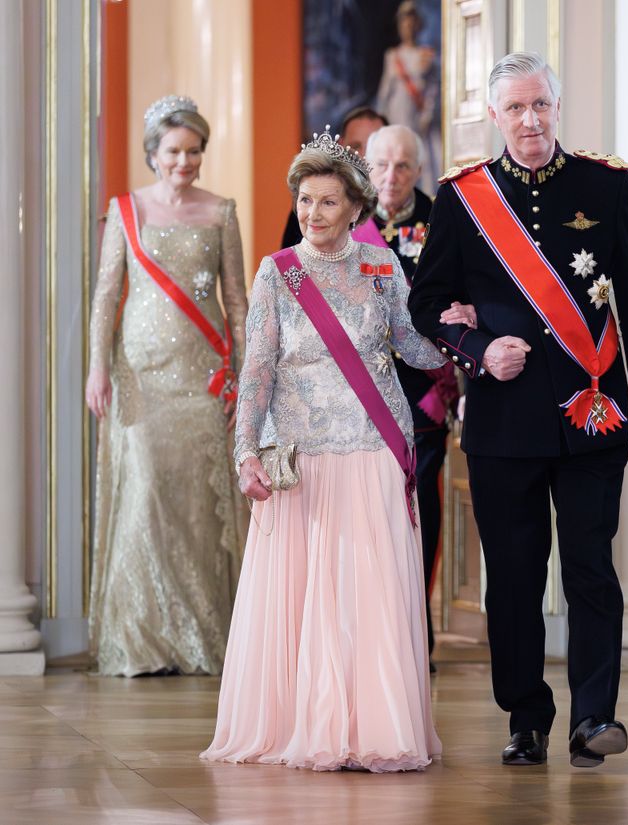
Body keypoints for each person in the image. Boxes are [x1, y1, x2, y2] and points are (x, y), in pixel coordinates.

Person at [408, 52, 628, 769]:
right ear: (495, 117)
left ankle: (595, 716)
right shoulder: (465, 195)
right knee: (516, 575)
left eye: (541, 105)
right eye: (516, 108)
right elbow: (426, 301)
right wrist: (479, 347)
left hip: (593, 412)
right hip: (503, 417)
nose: (530, 119)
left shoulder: (605, 184)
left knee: (590, 565)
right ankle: (525, 715)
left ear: (558, 107)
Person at [201, 127, 453, 772]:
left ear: (356, 208)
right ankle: (307, 726)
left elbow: (414, 348)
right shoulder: (277, 273)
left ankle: (373, 728)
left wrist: (463, 335)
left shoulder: (382, 266)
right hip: (304, 454)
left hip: (373, 447)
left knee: (367, 593)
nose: (313, 214)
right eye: (306, 201)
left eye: (328, 202)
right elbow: (256, 370)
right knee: (308, 596)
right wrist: (246, 452)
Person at [86, 95, 247, 677]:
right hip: (142, 375)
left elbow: (236, 300)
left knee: (200, 507)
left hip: (204, 377)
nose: (185, 161)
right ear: (153, 154)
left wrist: (246, 376)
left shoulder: (222, 211)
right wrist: (96, 367)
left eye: (194, 151)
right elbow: (107, 295)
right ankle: (145, 641)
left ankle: (202, 639)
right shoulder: (125, 211)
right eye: (174, 151)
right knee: (148, 494)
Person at [360, 124, 457, 663]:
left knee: (419, 506)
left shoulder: (442, 217)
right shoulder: (342, 212)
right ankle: (368, 630)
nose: (389, 177)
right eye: (379, 165)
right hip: (356, 391)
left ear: (418, 171)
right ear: (365, 164)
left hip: (422, 392)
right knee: (364, 509)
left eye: (402, 166)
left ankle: (414, 629)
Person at [281, 107, 388, 248]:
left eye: (374, 147)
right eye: (356, 146)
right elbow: (288, 263)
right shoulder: (308, 204)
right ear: (341, 145)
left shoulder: (416, 204)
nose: (365, 155)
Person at [375, 0, 442, 194]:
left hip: (420, 118)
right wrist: (381, 121)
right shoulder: (392, 56)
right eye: (405, 23)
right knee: (397, 156)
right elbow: (384, 93)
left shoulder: (426, 54)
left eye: (412, 22)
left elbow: (432, 89)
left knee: (424, 161)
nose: (408, 27)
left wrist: (428, 113)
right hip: (399, 114)